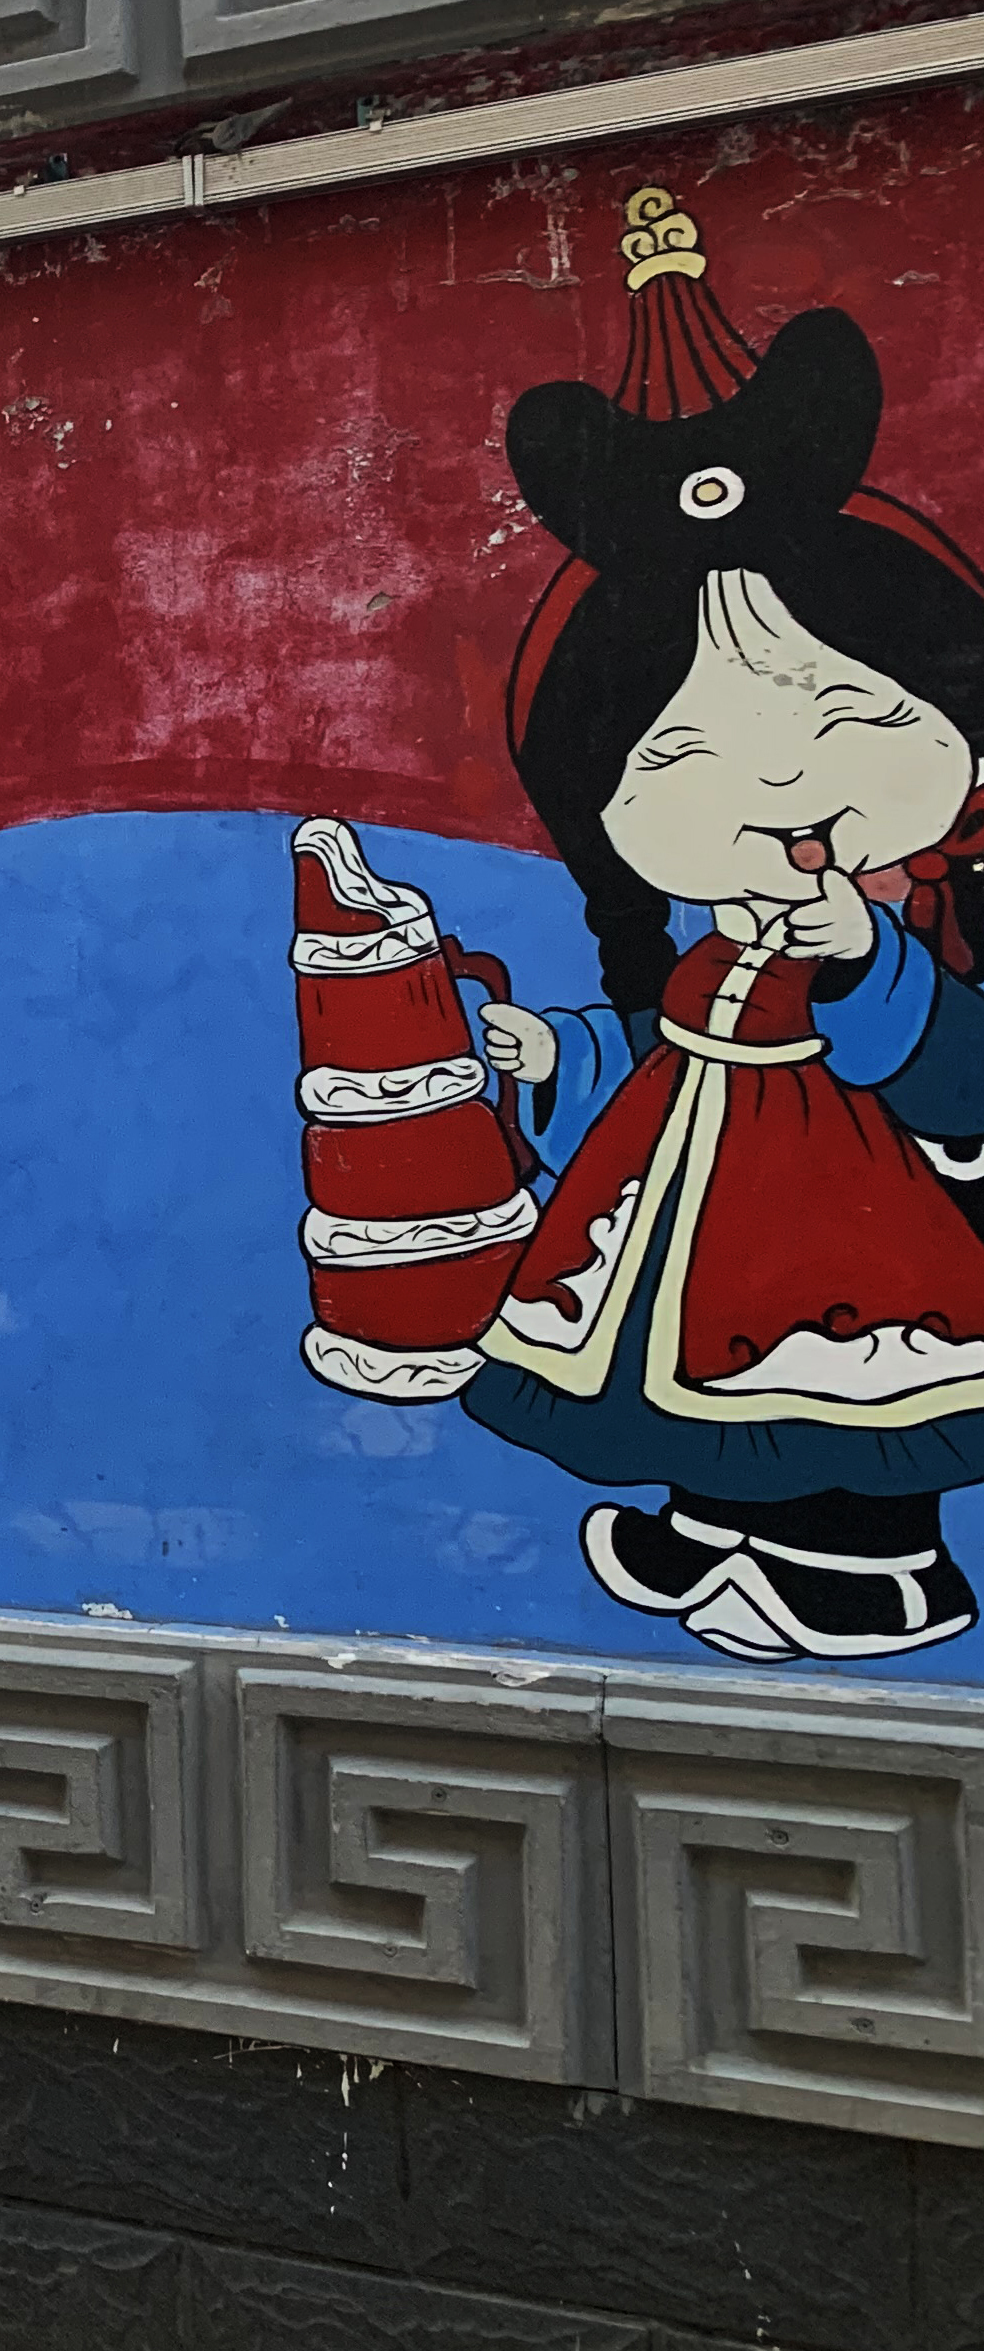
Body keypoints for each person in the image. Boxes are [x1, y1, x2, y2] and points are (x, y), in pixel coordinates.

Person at [456, 189, 984, 1661]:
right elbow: (655, 1045)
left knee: (847, 1410)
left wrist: (864, 960)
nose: (773, 782)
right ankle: (708, 1523)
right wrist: (549, 1050)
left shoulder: (905, 923)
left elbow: (955, 1069)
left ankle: (865, 1566)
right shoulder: (716, 938)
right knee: (687, 1367)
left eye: (835, 715)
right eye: (686, 753)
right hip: (706, 1237)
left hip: (872, 1245)